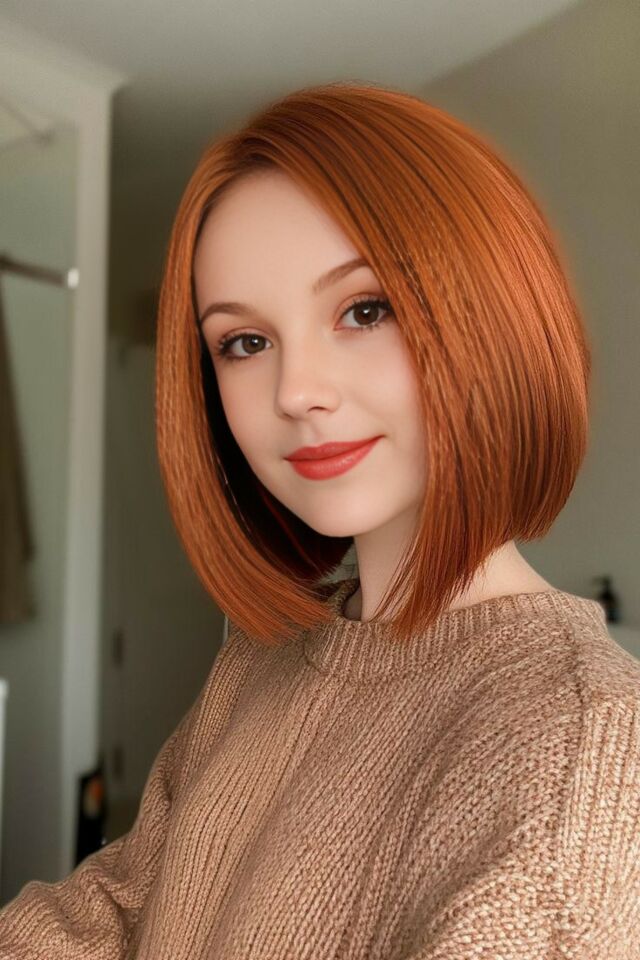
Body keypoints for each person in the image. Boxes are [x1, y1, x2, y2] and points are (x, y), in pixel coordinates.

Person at [1, 79, 638, 958]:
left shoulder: (584, 748)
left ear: (494, 316)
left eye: (364, 309)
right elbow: (115, 905)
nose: (295, 391)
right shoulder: (264, 658)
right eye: (244, 342)